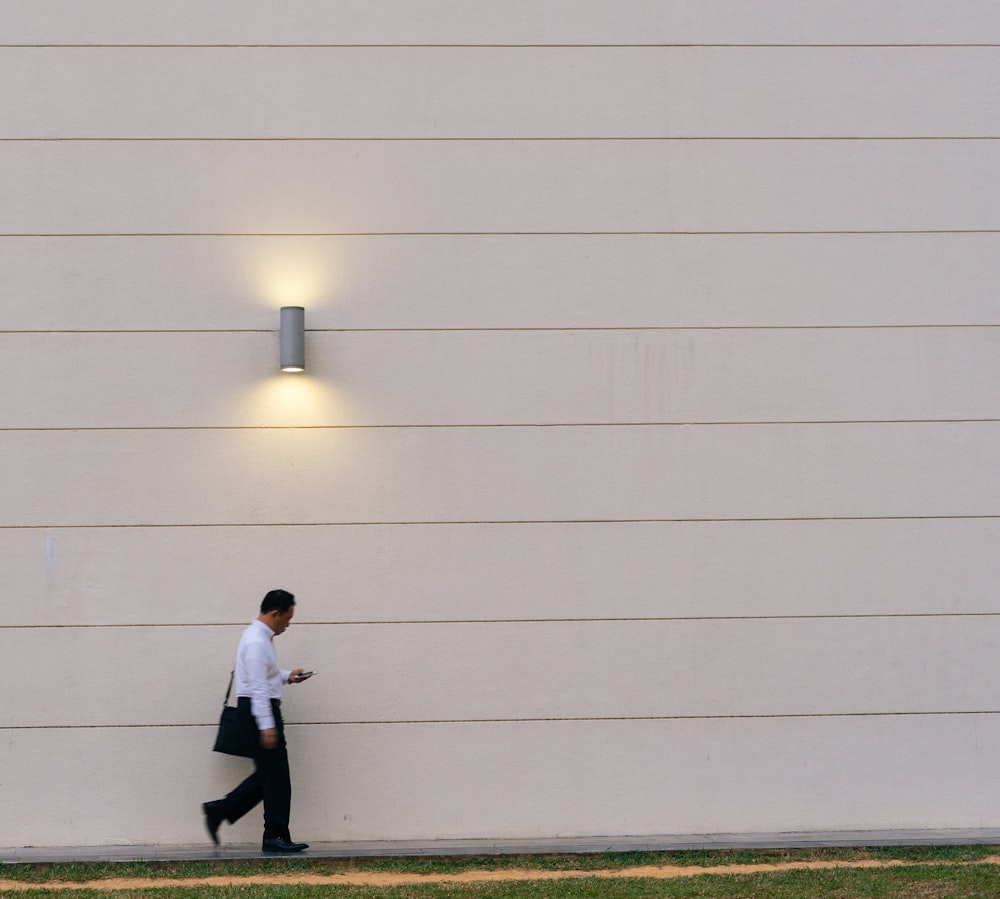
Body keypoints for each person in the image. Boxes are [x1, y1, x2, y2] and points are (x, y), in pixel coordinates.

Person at [202, 589, 312, 853]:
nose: (288, 624)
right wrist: (267, 725)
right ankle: (273, 836)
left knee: (270, 775)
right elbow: (258, 688)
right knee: (276, 777)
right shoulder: (256, 641)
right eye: (287, 618)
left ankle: (220, 811)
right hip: (257, 711)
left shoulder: (260, 638)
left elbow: (265, 676)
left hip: (256, 709)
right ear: (275, 613)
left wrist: (288, 676)